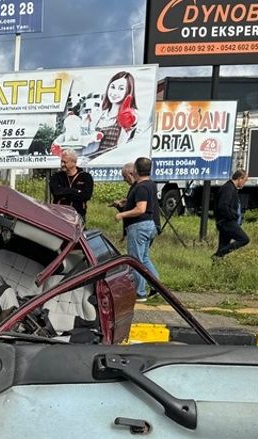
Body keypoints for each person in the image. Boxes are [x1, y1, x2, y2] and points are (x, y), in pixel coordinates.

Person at [115, 157, 160, 300]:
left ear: (135, 170)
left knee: (136, 260)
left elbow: (141, 209)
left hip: (139, 226)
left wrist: (122, 214)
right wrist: (127, 202)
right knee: (145, 258)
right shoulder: (150, 184)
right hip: (149, 226)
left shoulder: (141, 187)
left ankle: (139, 293)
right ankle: (156, 286)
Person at [88, 71, 138, 158]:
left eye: (121, 89)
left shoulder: (130, 114)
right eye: (113, 87)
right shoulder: (98, 115)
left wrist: (129, 123)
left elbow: (134, 122)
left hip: (112, 164)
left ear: (128, 91)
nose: (114, 92)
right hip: (89, 164)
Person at [214, 169, 250, 258]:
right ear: (240, 178)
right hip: (226, 222)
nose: (244, 184)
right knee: (244, 239)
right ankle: (218, 255)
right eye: (244, 181)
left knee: (223, 246)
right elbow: (222, 206)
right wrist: (234, 215)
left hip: (225, 221)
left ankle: (216, 267)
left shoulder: (231, 188)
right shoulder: (228, 188)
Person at [49, 149, 94, 221]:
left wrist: (64, 193)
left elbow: (86, 196)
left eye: (65, 162)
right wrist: (76, 191)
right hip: (59, 214)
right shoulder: (56, 176)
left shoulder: (86, 177)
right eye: (61, 161)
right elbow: (56, 192)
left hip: (78, 215)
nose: (62, 164)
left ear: (74, 162)